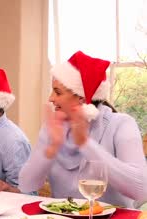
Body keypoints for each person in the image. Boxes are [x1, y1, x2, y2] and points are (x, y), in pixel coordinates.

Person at [19, 51, 147, 208]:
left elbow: (141, 190)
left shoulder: (122, 124)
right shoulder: (53, 127)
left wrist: (85, 144)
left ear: (82, 97)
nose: (50, 98)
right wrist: (51, 148)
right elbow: (26, 185)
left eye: (57, 92)